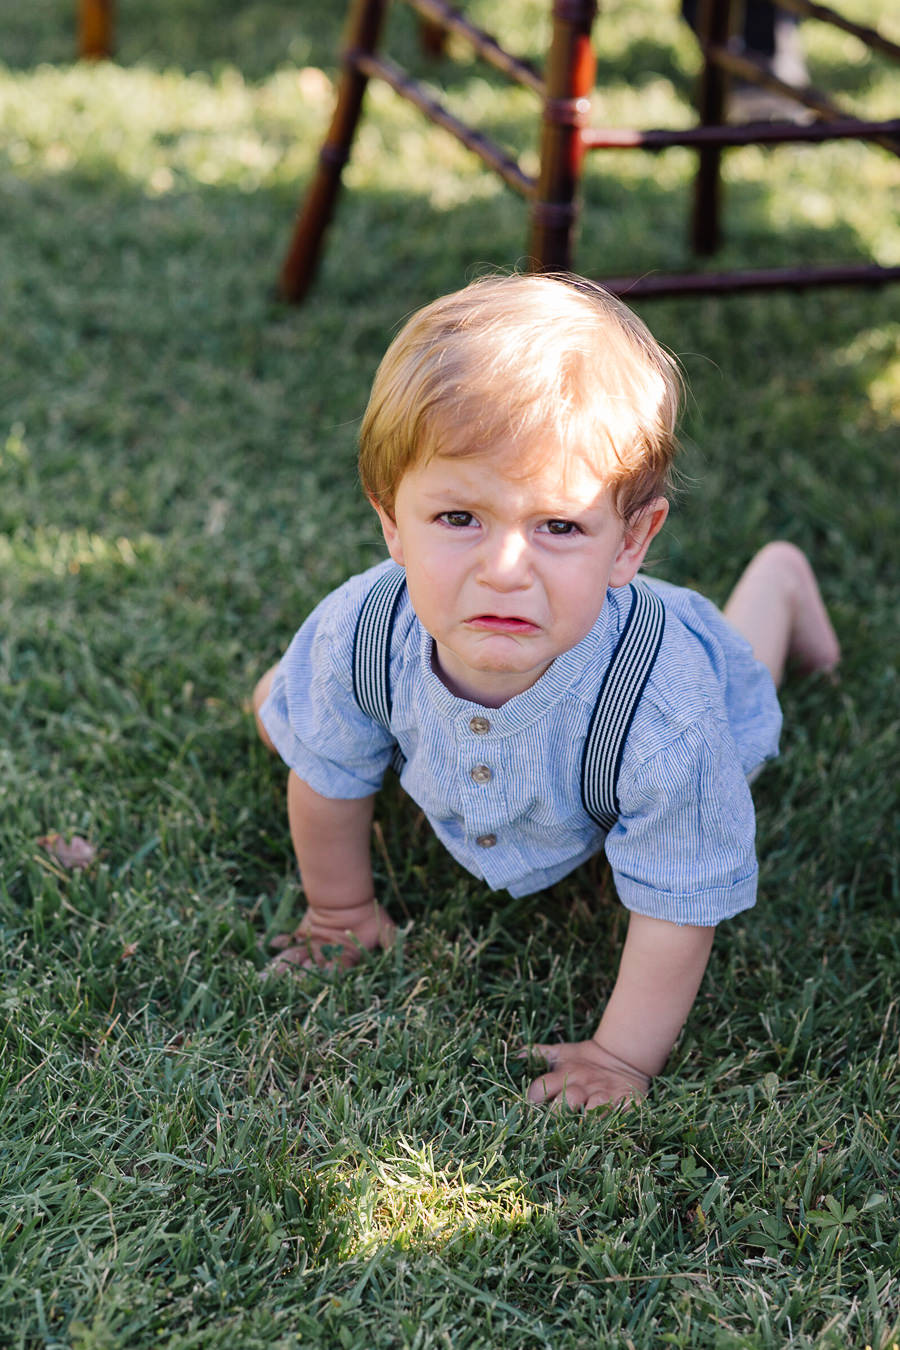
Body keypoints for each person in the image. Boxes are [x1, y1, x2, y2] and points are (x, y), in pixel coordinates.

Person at [251, 273, 839, 1110]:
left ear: (631, 541)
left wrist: (620, 1057)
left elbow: (682, 897)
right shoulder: (363, 629)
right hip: (381, 672)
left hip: (671, 707)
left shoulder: (668, 713)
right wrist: (340, 913)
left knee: (744, 670)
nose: (503, 571)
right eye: (459, 519)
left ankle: (779, 584)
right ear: (392, 524)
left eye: (558, 527)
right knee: (305, 724)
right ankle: (294, 696)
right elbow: (326, 783)